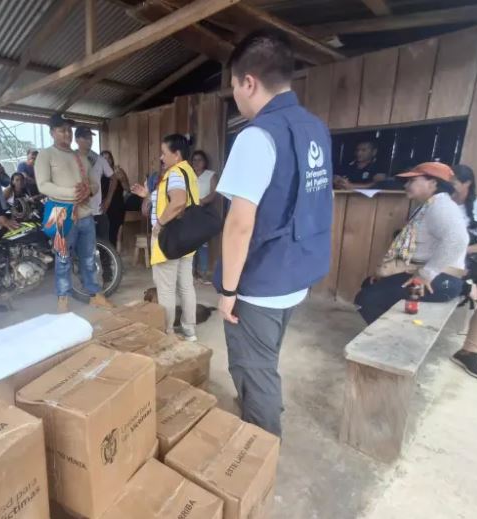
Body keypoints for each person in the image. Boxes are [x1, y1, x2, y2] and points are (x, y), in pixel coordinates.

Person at [214, 32, 333, 437]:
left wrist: (228, 290)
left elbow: (239, 224)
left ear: (248, 82)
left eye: (233, 87)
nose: (235, 96)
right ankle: (263, 402)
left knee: (253, 367)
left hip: (261, 281)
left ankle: (262, 448)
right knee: (266, 356)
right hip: (297, 272)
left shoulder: (257, 136)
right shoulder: (316, 128)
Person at [355, 163, 467, 324]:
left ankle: (393, 337)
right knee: (369, 285)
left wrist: (425, 275)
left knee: (367, 299)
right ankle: (392, 332)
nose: (406, 185)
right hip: (433, 275)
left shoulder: (441, 206)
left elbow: (458, 241)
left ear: (433, 183)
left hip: (441, 280)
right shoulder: (431, 204)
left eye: (412, 180)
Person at [35, 113, 113, 313]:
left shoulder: (80, 157)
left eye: (69, 130)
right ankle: (63, 299)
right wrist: (72, 194)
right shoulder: (46, 155)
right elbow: (43, 185)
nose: (67, 134)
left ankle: (95, 295)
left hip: (85, 214)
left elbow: (94, 183)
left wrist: (89, 191)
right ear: (52, 132)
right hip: (59, 213)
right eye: (62, 130)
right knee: (62, 258)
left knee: (89, 258)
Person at [131, 134, 199, 341]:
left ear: (176, 154)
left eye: (164, 153)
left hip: (168, 238)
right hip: (186, 237)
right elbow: (172, 199)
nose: (161, 158)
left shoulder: (175, 173)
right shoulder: (188, 172)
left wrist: (159, 224)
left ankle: (167, 332)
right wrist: (148, 195)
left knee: (166, 289)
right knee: (186, 285)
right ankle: (189, 330)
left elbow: (178, 201)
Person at [450, 164, 477, 380]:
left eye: (452, 181)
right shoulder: (438, 204)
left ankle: (470, 352)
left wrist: (466, 250)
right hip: (442, 260)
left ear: (467, 182)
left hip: (472, 257)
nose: (447, 186)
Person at [75, 127, 113, 240]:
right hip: (77, 213)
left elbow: (114, 178)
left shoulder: (99, 159)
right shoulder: (70, 158)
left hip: (97, 211)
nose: (89, 141)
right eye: (85, 138)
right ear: (77, 140)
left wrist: (108, 200)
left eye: (90, 138)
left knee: (103, 246)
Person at [190, 149, 218, 282]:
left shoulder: (210, 175)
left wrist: (202, 201)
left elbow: (214, 193)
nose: (196, 162)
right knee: (190, 243)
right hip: (189, 211)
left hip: (203, 211)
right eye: (194, 160)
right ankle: (191, 273)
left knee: (203, 243)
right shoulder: (189, 175)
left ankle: (203, 272)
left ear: (205, 162)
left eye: (199, 160)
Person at [100, 150, 130, 247]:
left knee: (117, 233)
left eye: (109, 158)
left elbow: (127, 188)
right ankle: (108, 253)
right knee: (105, 232)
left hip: (117, 205)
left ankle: (116, 254)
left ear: (112, 160)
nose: (107, 160)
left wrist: (122, 179)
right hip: (104, 206)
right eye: (104, 158)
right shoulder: (98, 173)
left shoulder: (118, 171)